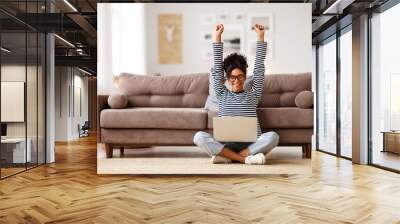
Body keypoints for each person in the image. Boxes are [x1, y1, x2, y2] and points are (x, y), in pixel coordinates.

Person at [193, 23, 279, 165]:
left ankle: (228, 157)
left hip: (251, 145)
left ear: (245, 77)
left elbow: (258, 69)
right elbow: (217, 70)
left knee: (273, 137)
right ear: (227, 78)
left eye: (240, 76)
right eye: (232, 77)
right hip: (227, 144)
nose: (237, 80)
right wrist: (217, 37)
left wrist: (261, 37)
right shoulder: (222, 93)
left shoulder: (253, 94)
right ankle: (245, 159)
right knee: (199, 137)